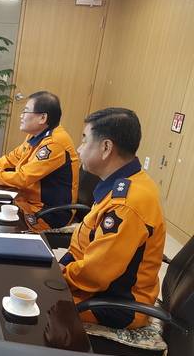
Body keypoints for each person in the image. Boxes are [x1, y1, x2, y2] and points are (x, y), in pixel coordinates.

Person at [60, 108, 166, 329]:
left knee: (41, 307)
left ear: (106, 147)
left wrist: (55, 278)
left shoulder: (126, 203)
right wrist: (61, 267)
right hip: (101, 291)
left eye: (84, 140)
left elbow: (94, 275)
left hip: (118, 305)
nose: (79, 148)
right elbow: (84, 242)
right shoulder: (123, 183)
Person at [0, 91, 79, 230]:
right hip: (26, 200)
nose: (21, 116)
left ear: (42, 118)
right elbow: (12, 158)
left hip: (46, 214)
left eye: (26, 111)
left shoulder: (55, 143)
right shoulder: (36, 135)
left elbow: (23, 178)